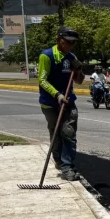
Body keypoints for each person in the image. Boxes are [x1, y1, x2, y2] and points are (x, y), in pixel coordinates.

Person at [37, 27, 84, 181]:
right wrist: (57, 95)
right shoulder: (47, 56)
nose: (70, 46)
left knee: (69, 133)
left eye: (73, 43)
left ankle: (67, 166)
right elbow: (42, 80)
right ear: (59, 40)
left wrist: (78, 70)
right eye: (67, 42)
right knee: (56, 135)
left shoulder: (71, 57)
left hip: (69, 101)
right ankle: (59, 161)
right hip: (50, 103)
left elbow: (79, 80)